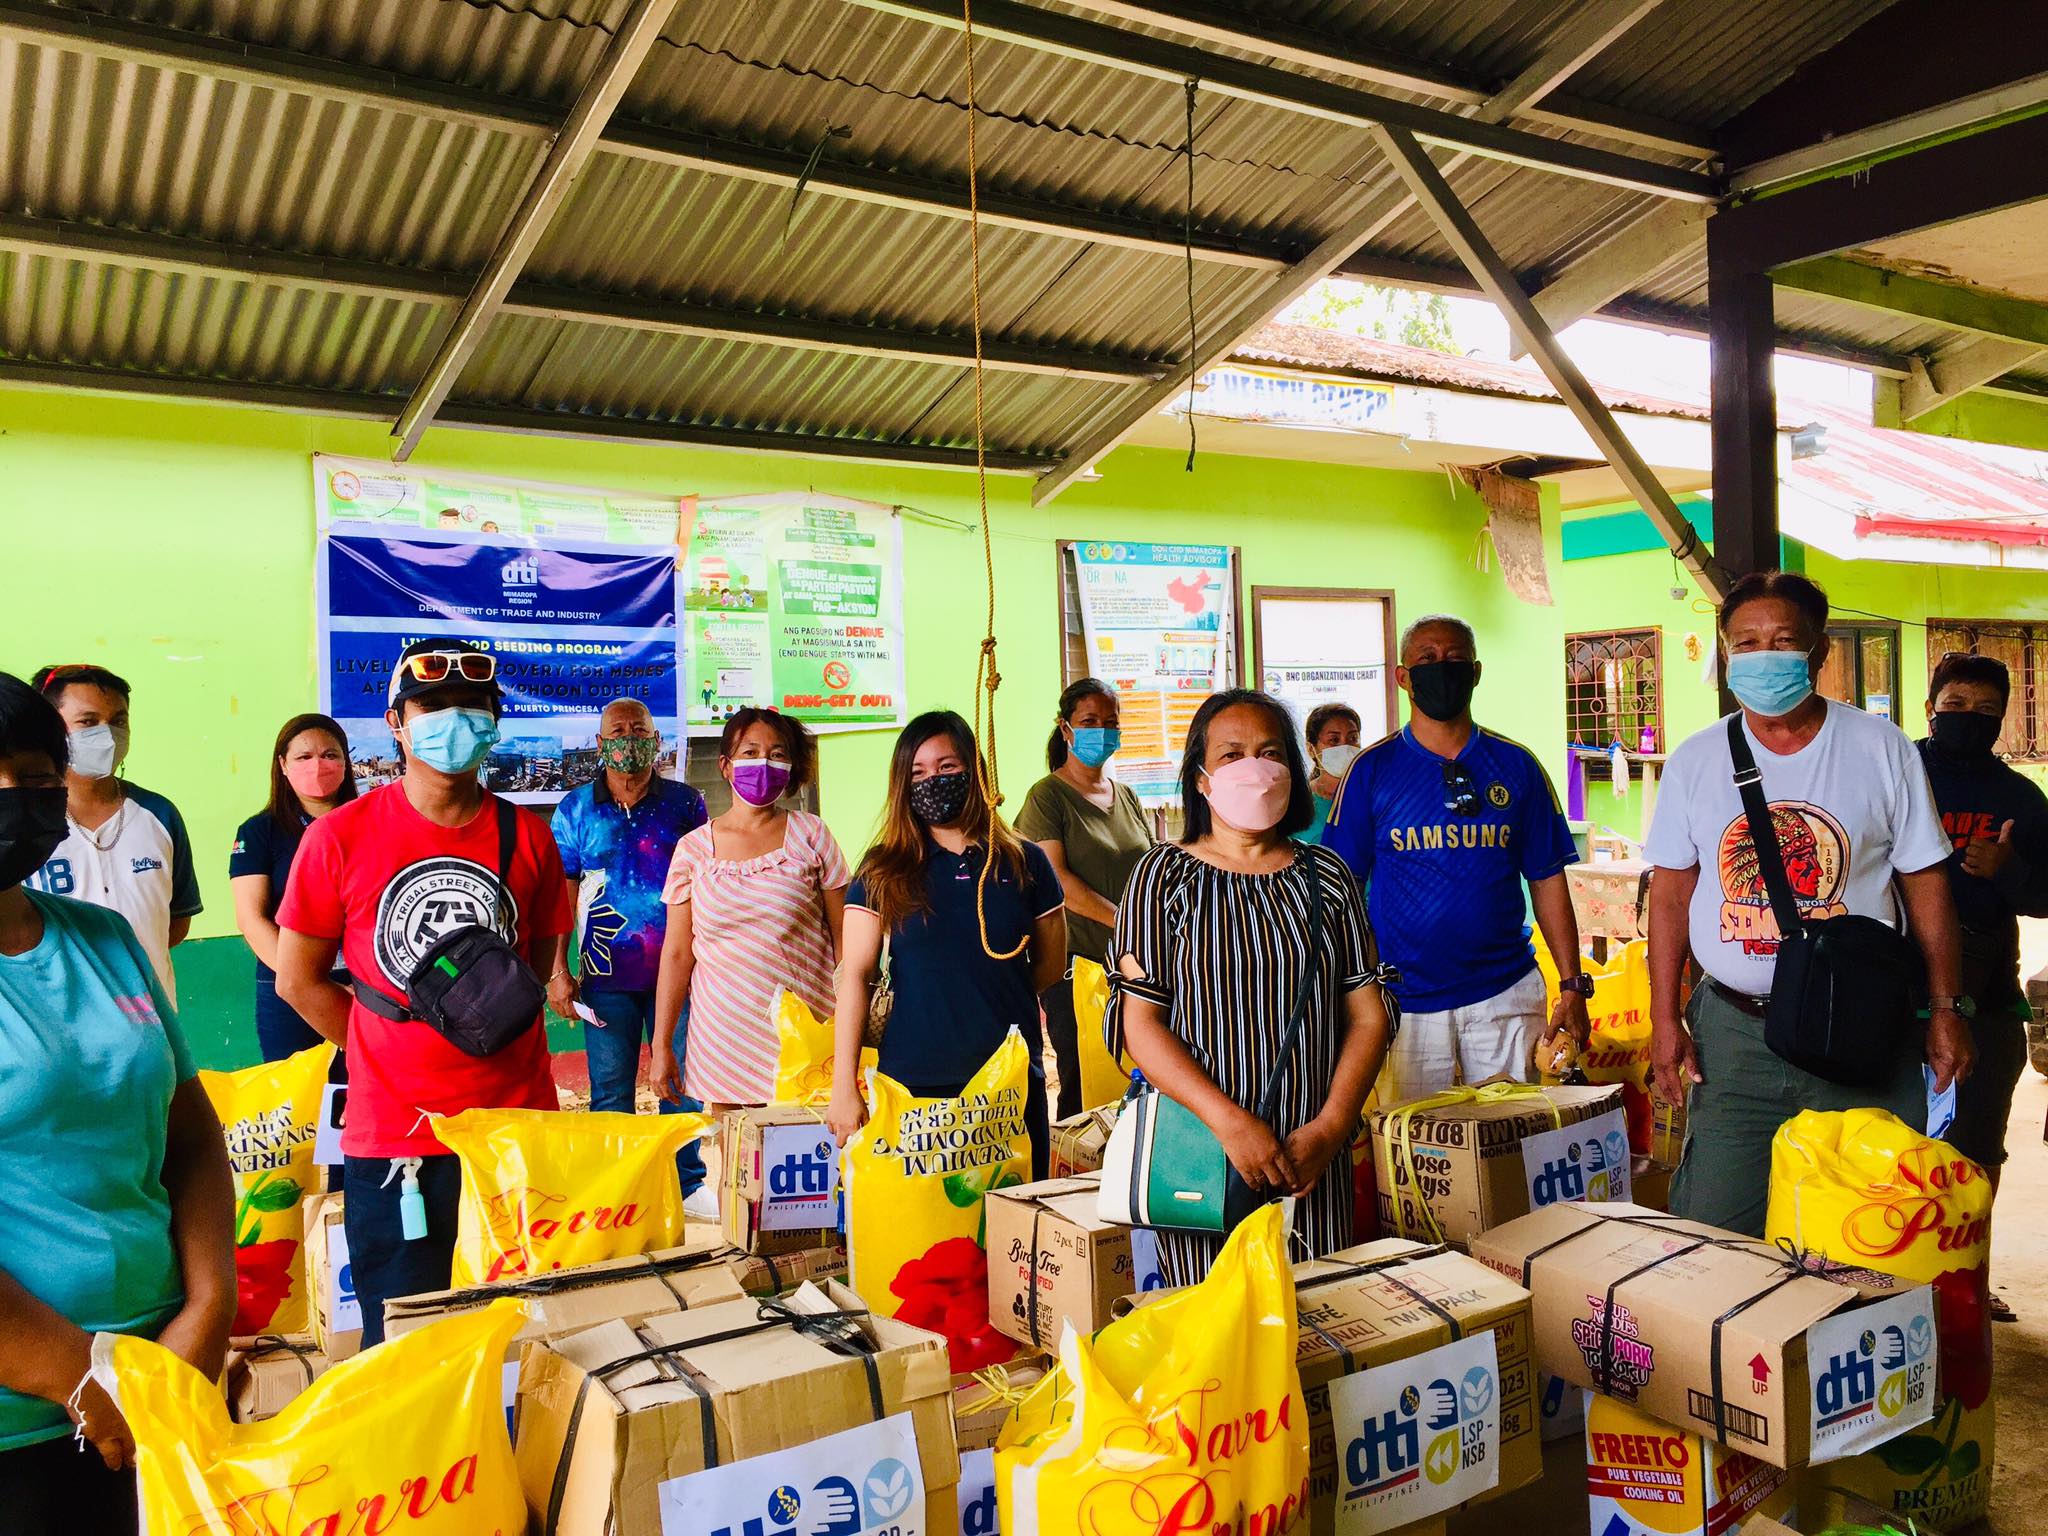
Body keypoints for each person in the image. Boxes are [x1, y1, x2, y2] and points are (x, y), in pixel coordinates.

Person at [1646, 572, 1970, 1237]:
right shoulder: (1695, 761)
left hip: (1859, 1026)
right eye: (1747, 642)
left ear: (1819, 652)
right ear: (1728, 653)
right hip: (1733, 1035)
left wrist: (1944, 1008)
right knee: (1716, 1228)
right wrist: (1662, 1020)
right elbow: (1672, 896)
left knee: (1870, 1230)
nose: (1764, 656)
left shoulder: (1881, 749)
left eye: (1783, 640)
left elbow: (1927, 885)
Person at [273, 640, 572, 1346]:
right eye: (432, 706)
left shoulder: (528, 836)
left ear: (495, 722)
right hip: (397, 1140)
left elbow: (524, 970)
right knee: (410, 1343)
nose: (453, 721)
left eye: (471, 708)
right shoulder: (339, 838)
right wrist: (380, 1046)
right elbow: (298, 978)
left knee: (524, 1338)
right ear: (396, 723)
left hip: (515, 1129)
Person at [0, 672, 235, 1531]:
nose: (11, 798)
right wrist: (79, 1375)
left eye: (32, 777)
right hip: (25, 1424)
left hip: (162, 1376)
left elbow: (190, 1131)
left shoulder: (100, 938)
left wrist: (209, 1310)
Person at [1112, 688, 1393, 1288]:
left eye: (1268, 752)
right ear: (1201, 780)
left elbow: (1368, 1016)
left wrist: (1330, 1127)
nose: (1253, 768)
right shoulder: (1163, 878)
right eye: (1231, 754)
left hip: (1309, 1162)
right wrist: (1230, 1124)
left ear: (1292, 768)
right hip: (1201, 1158)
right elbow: (1139, 1025)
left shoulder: (1327, 878)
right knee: (1210, 1336)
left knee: (1312, 1327)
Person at [1322, 616, 1590, 1101]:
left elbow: (1548, 881)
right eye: (1426, 659)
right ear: (1403, 676)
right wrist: (1350, 992)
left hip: (1505, 995)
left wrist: (1572, 984)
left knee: (1513, 1154)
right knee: (1419, 1165)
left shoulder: (1518, 766)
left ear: (1476, 671)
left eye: (1454, 659)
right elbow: (1337, 887)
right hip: (1403, 1006)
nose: (1440, 668)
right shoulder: (1371, 771)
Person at [826, 711, 1066, 1177]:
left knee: (1008, 1230)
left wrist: (990, 995)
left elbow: (1051, 966)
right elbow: (855, 975)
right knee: (931, 1237)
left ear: (974, 769)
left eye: (947, 767)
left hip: (1010, 1082)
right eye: (917, 772)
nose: (932, 781)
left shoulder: (1025, 861)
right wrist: (843, 1085)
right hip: (915, 1081)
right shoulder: (883, 868)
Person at [550, 698, 712, 1215]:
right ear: (600, 744)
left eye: (637, 730)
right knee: (610, 1087)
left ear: (656, 739)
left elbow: (705, 883)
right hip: (603, 976)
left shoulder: (686, 803)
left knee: (681, 1082)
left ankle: (689, 1185)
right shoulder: (574, 809)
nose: (627, 739)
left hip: (679, 974)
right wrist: (558, 971)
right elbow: (561, 892)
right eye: (616, 731)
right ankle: (617, 1187)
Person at [1915, 653, 2048, 1289]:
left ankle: (1968, 1277)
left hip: (1985, 994)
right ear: (1931, 707)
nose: (1970, 720)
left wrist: (2008, 870)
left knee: (1975, 1145)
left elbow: (2046, 896)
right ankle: (1890, 1269)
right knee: (1892, 1136)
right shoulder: (1897, 770)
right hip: (1892, 984)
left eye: (1987, 712)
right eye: (1957, 707)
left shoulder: (2020, 798)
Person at [655, 708, 848, 1112]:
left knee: (811, 1163)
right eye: (750, 751)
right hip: (724, 1043)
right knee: (740, 1167)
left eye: (777, 754)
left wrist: (852, 1026)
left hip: (807, 1035)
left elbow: (845, 940)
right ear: (725, 765)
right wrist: (661, 1046)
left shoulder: (812, 835)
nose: (764, 763)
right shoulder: (692, 850)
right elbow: (676, 954)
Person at [25, 665, 201, 1005]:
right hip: (57, 1020)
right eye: (88, 722)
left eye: (118, 721)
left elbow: (175, 924)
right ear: (49, 727)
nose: (107, 735)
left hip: (152, 1019)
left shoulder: (159, 814)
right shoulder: (25, 819)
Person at [1016, 678, 1151, 1118]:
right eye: (1089, 721)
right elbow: (1057, 881)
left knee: (1135, 1078)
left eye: (1110, 723)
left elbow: (1149, 870)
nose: (1102, 732)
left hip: (1132, 966)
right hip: (1076, 969)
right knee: (1082, 1083)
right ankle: (1077, 1174)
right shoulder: (1047, 797)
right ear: (1066, 728)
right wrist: (1128, 921)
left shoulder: (1126, 795)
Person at [230, 714, 359, 1062]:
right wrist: (306, 985)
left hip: (365, 988)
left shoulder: (370, 823)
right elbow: (251, 918)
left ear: (346, 763)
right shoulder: (259, 832)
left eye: (330, 755)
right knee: (300, 1103)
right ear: (283, 765)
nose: (318, 765)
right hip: (288, 990)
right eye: (304, 757)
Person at [1304, 703, 1364, 843]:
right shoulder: (1299, 803)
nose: (1345, 746)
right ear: (1311, 749)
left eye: (1353, 739)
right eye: (1334, 740)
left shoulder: (1371, 798)